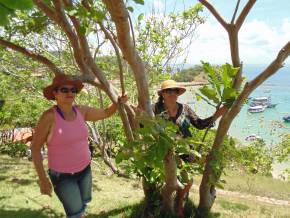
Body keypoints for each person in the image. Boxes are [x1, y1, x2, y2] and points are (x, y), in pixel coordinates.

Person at [31, 74, 127, 218]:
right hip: (63, 176)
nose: (70, 93)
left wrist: (118, 102)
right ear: (55, 93)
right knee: (75, 213)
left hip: (85, 170)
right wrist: (43, 179)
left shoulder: (81, 111)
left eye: (73, 90)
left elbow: (106, 113)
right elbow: (35, 148)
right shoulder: (49, 117)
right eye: (64, 90)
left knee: (82, 205)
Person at [153, 79, 227, 212]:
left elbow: (200, 124)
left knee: (188, 180)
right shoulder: (155, 109)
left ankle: (179, 203)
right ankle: (169, 204)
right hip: (165, 149)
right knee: (175, 180)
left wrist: (218, 114)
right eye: (168, 91)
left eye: (175, 90)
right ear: (162, 94)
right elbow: (144, 125)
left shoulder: (185, 108)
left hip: (186, 149)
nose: (172, 93)